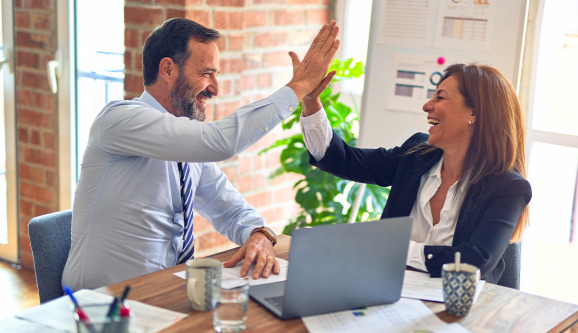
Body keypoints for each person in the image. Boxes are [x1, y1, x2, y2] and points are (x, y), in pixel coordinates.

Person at [62, 18, 339, 290]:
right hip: (103, 304)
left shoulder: (186, 146)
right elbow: (222, 142)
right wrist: (299, 86)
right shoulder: (119, 120)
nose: (215, 89)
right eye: (207, 73)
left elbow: (228, 207)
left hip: (165, 293)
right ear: (168, 69)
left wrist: (259, 233)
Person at [300, 63, 531, 283]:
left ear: (474, 114)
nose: (427, 106)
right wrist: (311, 102)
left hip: (462, 310)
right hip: (390, 293)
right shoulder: (415, 155)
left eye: (440, 97)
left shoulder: (508, 187)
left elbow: (474, 262)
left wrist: (393, 248)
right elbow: (343, 160)